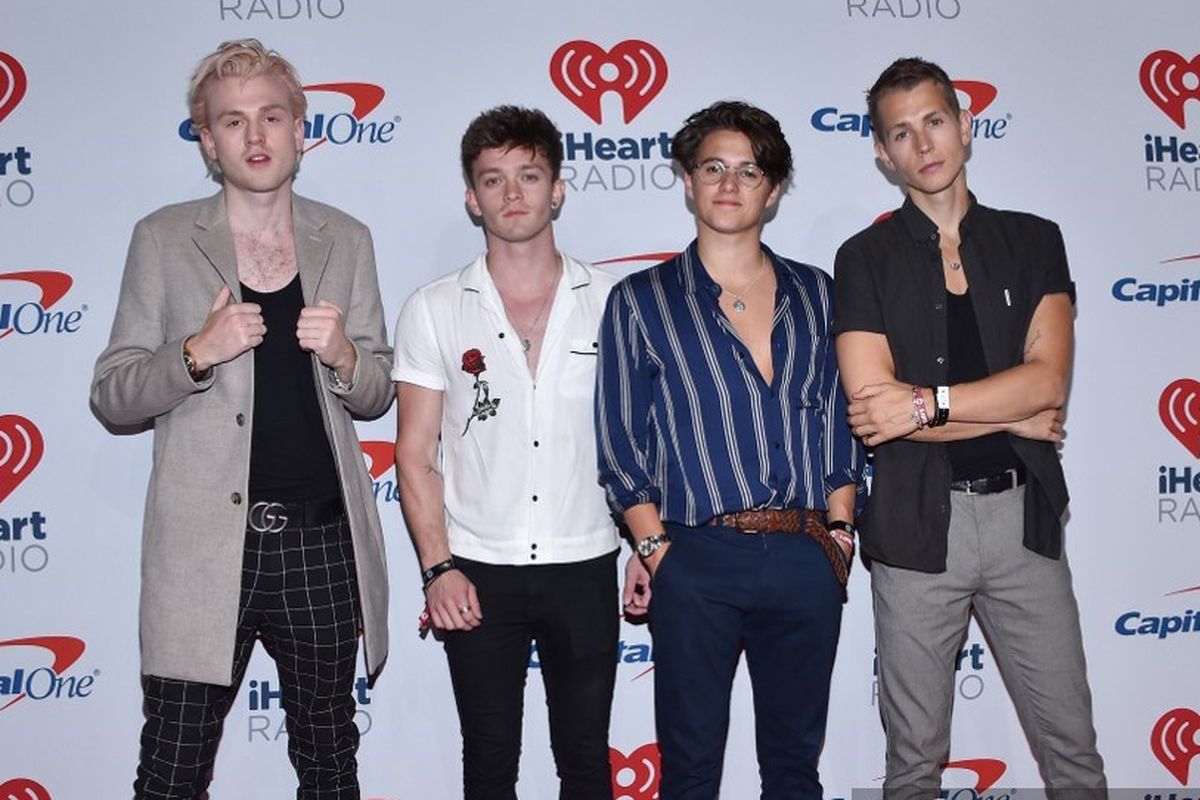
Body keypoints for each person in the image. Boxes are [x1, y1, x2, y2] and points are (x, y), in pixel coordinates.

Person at [91, 39, 393, 799]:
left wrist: (348, 358)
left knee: (329, 762)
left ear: (301, 130)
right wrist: (195, 352)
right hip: (202, 546)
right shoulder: (162, 239)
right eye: (232, 122)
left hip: (323, 543)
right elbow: (113, 393)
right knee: (171, 768)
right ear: (206, 139)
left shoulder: (347, 239)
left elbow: (378, 392)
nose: (255, 137)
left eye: (271, 117)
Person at [833, 57, 1107, 798]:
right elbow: (872, 410)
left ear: (966, 126)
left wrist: (927, 404)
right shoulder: (863, 258)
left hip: (1025, 523)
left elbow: (1047, 384)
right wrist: (1011, 411)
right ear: (883, 156)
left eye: (935, 120)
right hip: (918, 534)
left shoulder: (1034, 239)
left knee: (1073, 751)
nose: (923, 143)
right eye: (901, 132)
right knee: (915, 764)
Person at [595, 100, 865, 800]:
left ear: (773, 191)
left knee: (794, 768)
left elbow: (840, 416)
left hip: (807, 554)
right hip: (696, 560)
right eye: (713, 166)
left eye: (750, 171)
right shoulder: (641, 300)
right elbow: (619, 440)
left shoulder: (817, 294)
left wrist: (839, 530)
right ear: (687, 180)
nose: (729, 183)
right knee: (689, 773)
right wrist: (657, 552)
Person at [392, 105, 632, 800]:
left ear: (558, 188)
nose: (513, 194)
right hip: (476, 570)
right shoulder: (434, 309)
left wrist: (646, 547)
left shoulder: (614, 303)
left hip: (585, 561)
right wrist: (438, 568)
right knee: (489, 761)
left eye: (529, 175)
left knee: (586, 762)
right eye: (493, 180)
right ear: (472, 198)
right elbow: (414, 454)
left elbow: (641, 442)